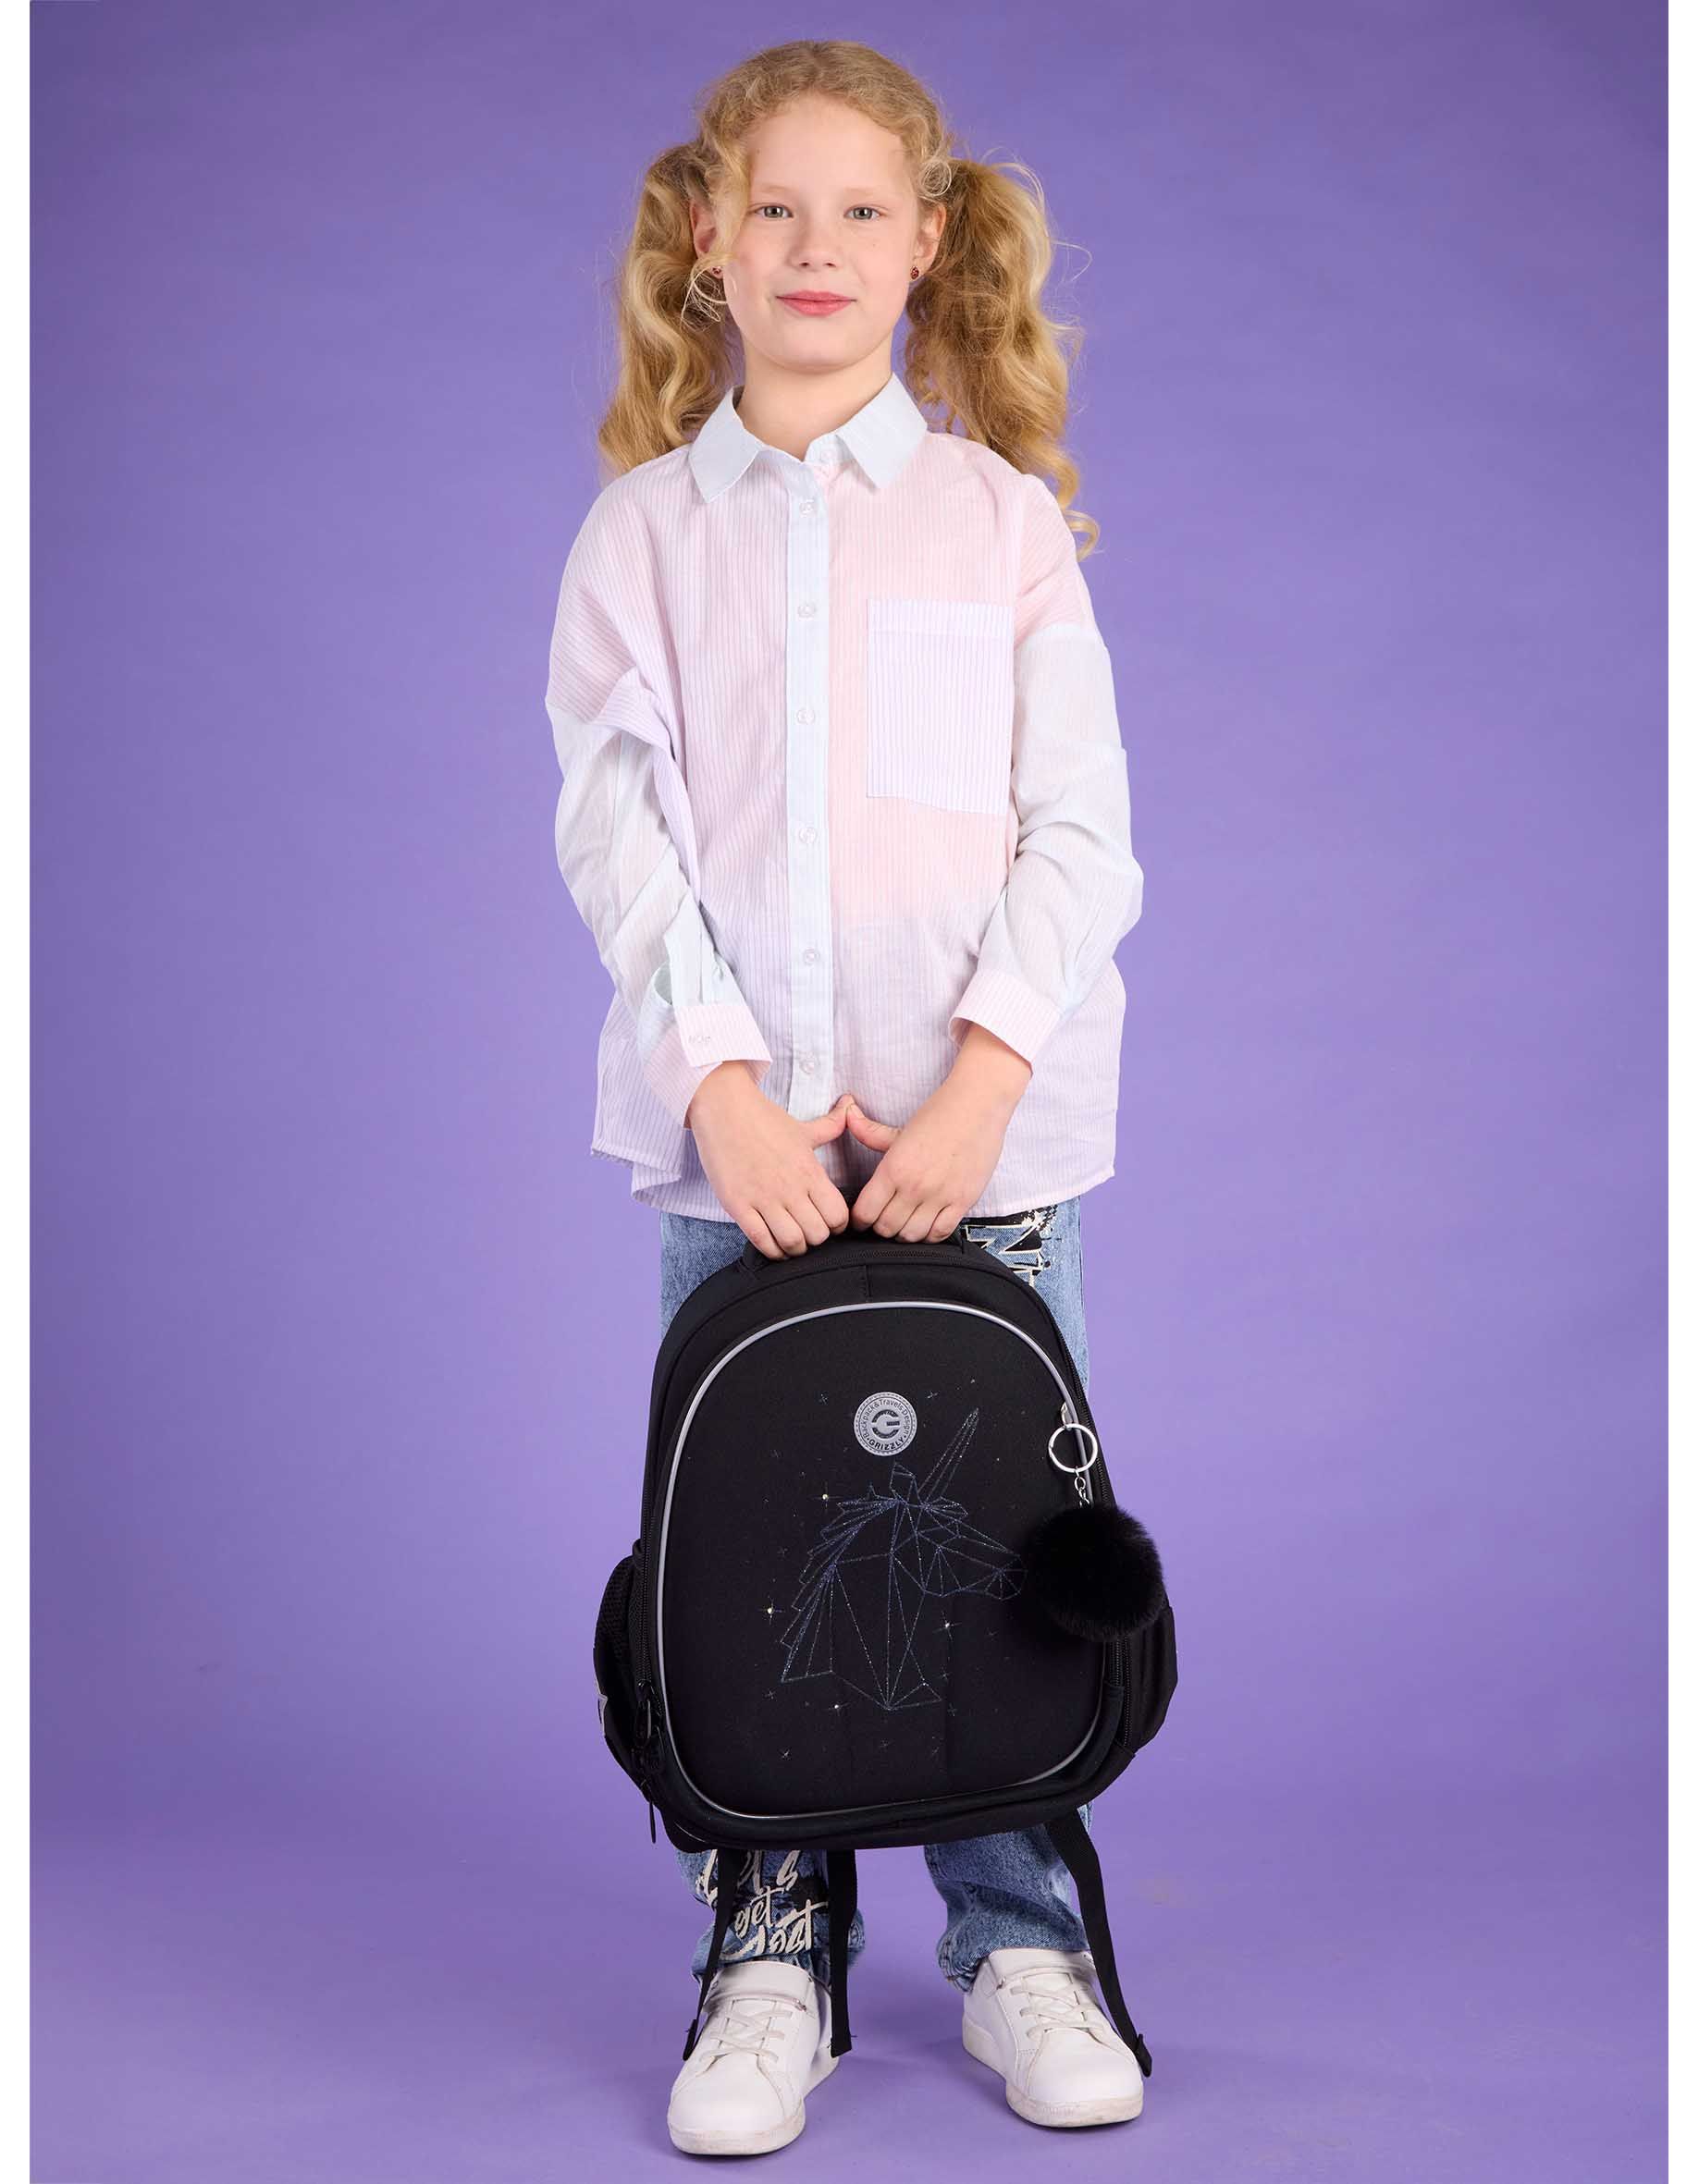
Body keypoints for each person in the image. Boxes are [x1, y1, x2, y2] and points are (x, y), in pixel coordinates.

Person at [547, 39, 1148, 2157]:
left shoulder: (997, 526)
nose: (816, 247)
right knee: (755, 1538)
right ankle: (770, 1941)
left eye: (861, 212)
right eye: (775, 208)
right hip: (747, 1160)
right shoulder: (640, 538)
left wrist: (978, 1088)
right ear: (705, 236)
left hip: (981, 1152)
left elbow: (1081, 834)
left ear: (926, 244)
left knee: (996, 1549)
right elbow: (618, 837)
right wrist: (719, 1088)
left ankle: (1020, 1934)